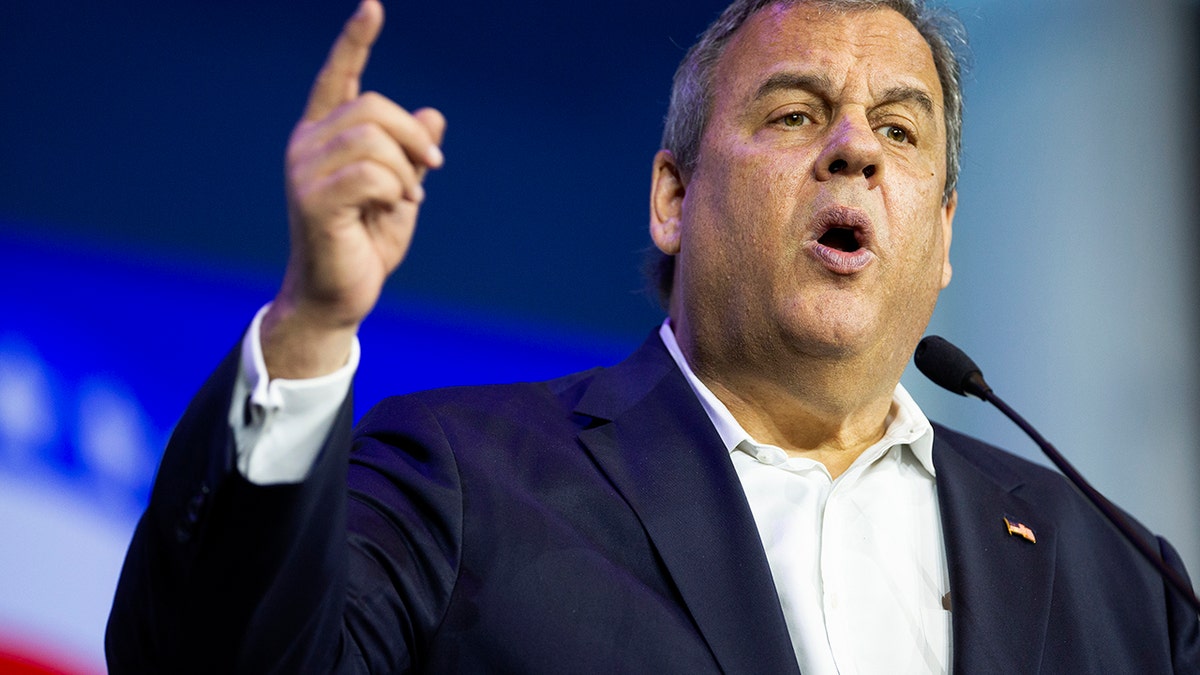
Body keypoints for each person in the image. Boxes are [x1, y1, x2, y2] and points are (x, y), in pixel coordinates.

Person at [106, 0, 1200, 672]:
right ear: (672, 196)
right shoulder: (464, 479)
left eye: (901, 130)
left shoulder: (1117, 573)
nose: (856, 150)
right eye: (794, 113)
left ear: (944, 233)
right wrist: (309, 324)